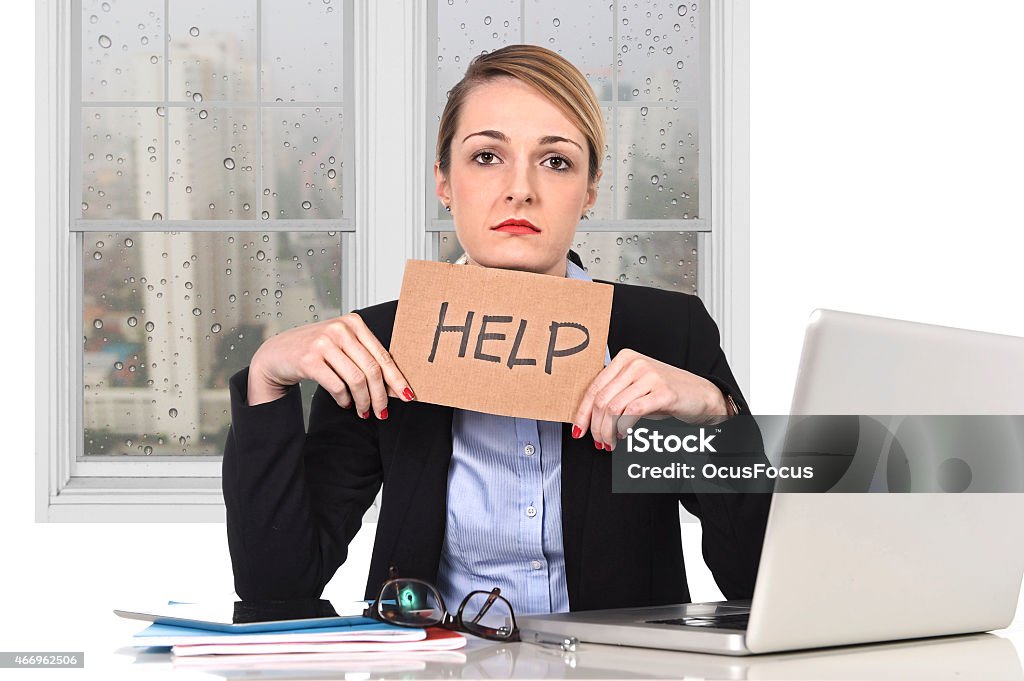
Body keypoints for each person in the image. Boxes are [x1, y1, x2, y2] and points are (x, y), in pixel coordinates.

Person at [223, 45, 769, 615]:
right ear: (443, 182)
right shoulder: (380, 346)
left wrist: (714, 415)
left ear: (589, 192)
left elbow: (756, 581)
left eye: (555, 161)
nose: (520, 189)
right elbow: (276, 585)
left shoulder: (667, 333)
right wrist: (266, 378)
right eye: (486, 156)